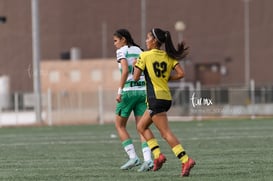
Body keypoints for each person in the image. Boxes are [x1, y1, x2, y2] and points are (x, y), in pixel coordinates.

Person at [133, 28, 196, 177]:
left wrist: (136, 64)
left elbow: (135, 77)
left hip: (155, 99)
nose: (146, 40)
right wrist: (168, 78)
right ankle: (158, 156)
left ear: (155, 41)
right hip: (165, 97)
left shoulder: (144, 56)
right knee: (141, 126)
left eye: (148, 38)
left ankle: (186, 160)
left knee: (165, 133)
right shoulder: (168, 56)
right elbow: (181, 74)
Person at [113, 29, 154, 172]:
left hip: (129, 92)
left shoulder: (121, 51)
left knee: (119, 126)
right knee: (142, 127)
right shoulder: (140, 50)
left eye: (116, 41)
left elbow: (125, 71)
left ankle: (133, 157)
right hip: (143, 92)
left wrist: (120, 91)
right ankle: (148, 160)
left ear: (123, 39)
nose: (115, 44)